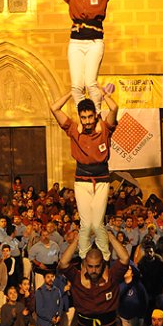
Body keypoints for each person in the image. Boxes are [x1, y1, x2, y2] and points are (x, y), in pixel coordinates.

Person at [50, 89, 118, 260]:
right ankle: (84, 257)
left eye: (90, 117)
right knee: (86, 225)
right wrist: (71, 94)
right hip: (82, 180)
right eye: (83, 117)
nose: (87, 121)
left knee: (97, 223)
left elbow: (114, 108)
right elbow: (54, 108)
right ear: (80, 117)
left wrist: (103, 94)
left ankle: (105, 257)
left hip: (102, 180)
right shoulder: (74, 129)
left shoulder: (103, 129)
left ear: (95, 115)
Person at [51, 0, 121, 111]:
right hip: (76, 43)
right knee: (76, 86)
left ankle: (96, 115)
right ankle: (83, 118)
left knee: (90, 83)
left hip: (94, 43)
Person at [57, 231, 129, 326]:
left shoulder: (112, 277)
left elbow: (124, 258)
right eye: (90, 266)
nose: (93, 270)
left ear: (103, 264)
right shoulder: (76, 278)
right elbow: (63, 263)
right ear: (84, 264)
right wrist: (77, 240)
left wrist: (111, 237)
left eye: (97, 266)